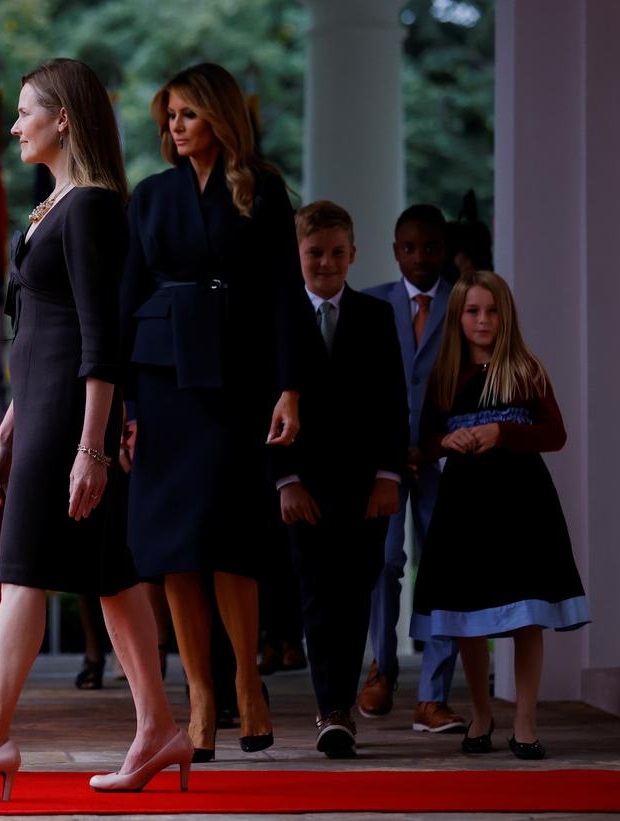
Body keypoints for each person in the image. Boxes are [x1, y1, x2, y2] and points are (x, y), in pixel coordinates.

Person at [0, 58, 189, 801]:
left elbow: (101, 342)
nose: (13, 126)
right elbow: (35, 342)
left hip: (72, 422)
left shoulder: (92, 206)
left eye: (26, 112)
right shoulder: (52, 208)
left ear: (63, 119)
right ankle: (160, 728)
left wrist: (92, 447)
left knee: (23, 571)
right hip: (40, 417)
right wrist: (3, 438)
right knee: (113, 578)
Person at [120, 62, 312, 760]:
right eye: (169, 117)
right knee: (174, 544)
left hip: (237, 381)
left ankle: (248, 682)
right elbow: (125, 301)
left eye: (187, 115)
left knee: (231, 535)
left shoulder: (260, 190)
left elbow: (288, 297)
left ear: (219, 118)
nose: (174, 128)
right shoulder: (148, 196)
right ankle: (199, 694)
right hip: (164, 380)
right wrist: (124, 404)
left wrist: (290, 388)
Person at [411, 270, 589, 759]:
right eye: (473, 311)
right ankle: (482, 712)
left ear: (505, 315)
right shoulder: (446, 375)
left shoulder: (526, 369)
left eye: (491, 311)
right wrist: (445, 441)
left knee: (527, 613)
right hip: (465, 509)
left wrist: (502, 434)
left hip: (523, 506)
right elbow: (424, 441)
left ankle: (525, 719)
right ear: (459, 317)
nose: (483, 320)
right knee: (470, 615)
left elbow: (555, 434)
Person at [273, 201, 408, 757]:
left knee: (355, 593)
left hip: (362, 485)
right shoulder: (280, 317)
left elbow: (393, 403)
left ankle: (340, 709)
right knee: (314, 595)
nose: (325, 264)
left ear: (352, 255)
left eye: (335, 253)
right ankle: (329, 704)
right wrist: (284, 479)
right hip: (304, 483)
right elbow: (265, 404)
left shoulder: (375, 316)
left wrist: (387, 475)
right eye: (314, 254)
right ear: (297, 256)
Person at [361, 205, 466, 735]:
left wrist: (435, 445)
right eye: (409, 247)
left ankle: (434, 694)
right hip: (385, 460)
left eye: (430, 247)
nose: (420, 256)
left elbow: (474, 381)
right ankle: (381, 668)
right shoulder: (374, 303)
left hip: (442, 459)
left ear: (445, 250)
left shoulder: (465, 306)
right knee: (383, 563)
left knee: (442, 568)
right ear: (395, 250)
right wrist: (387, 448)